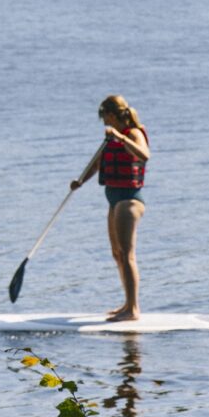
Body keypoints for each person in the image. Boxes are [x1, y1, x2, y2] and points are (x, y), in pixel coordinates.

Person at [71, 94, 150, 321]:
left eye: (104, 116)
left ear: (112, 115)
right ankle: (127, 304)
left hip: (129, 200)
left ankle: (133, 310)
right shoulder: (110, 138)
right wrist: (80, 182)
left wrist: (120, 138)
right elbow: (96, 164)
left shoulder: (132, 133)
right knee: (117, 254)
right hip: (114, 200)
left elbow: (144, 155)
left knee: (127, 255)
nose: (103, 121)